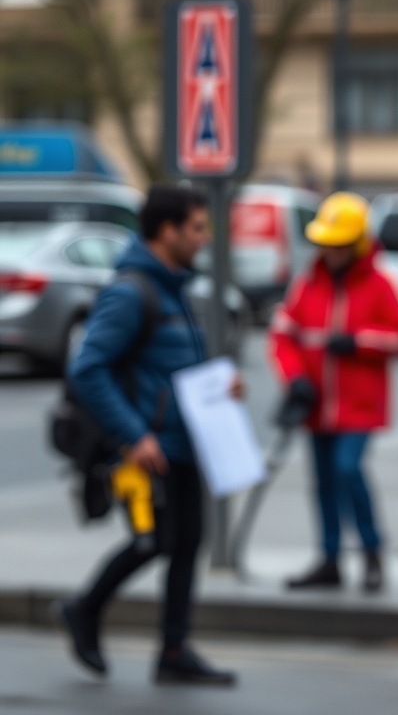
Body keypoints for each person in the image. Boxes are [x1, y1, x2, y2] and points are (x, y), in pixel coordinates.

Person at [56, 184, 237, 685]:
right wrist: (134, 434)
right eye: (197, 228)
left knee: (185, 543)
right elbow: (88, 368)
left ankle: (173, 651)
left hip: (183, 446)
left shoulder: (173, 287)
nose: (204, 238)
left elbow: (173, 367)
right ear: (167, 231)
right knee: (151, 542)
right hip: (149, 450)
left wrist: (221, 385)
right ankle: (84, 609)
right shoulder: (130, 292)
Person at [269, 192, 398, 592]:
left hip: (358, 405)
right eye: (326, 244)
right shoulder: (307, 284)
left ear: (355, 244)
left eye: (338, 245)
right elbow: (282, 336)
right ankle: (330, 559)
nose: (330, 251)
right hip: (315, 404)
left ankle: (371, 552)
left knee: (346, 470)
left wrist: (359, 342)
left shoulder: (380, 284)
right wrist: (294, 378)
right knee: (322, 480)